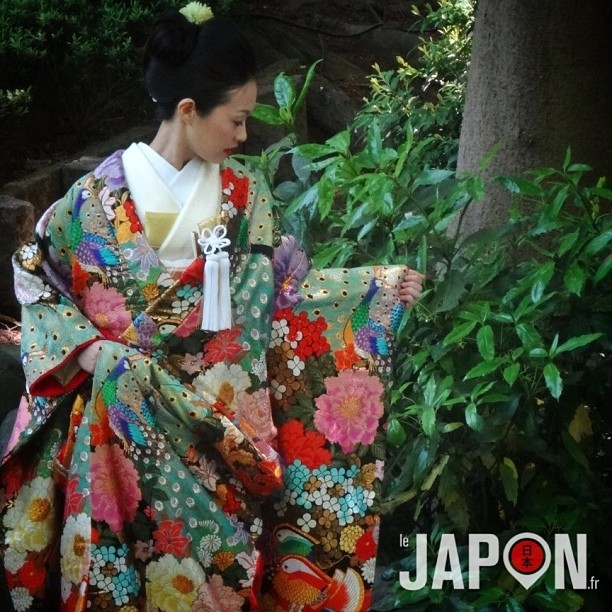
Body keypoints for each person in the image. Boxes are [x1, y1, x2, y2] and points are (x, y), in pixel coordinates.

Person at [0, 2, 424, 610]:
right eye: (239, 119)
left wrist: (373, 291)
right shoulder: (89, 203)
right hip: (120, 428)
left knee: (218, 583)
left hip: (225, 436)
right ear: (189, 110)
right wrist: (87, 348)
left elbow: (286, 298)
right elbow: (36, 275)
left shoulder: (247, 200)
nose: (245, 136)